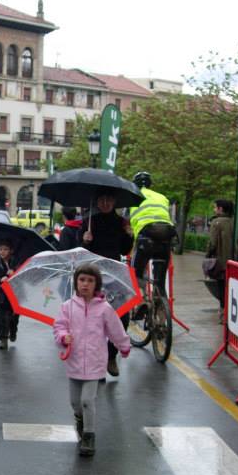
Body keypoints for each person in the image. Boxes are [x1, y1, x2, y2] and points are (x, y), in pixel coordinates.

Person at [53, 263, 132, 457]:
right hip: (74, 361)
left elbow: (115, 330)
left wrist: (124, 346)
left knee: (87, 400)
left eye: (90, 280)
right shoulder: (68, 307)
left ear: (97, 284)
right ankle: (80, 419)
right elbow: (59, 327)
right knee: (75, 403)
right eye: (82, 280)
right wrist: (63, 337)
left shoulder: (104, 309)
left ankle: (89, 435)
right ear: (76, 282)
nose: (85, 284)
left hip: (95, 362)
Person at [81, 190, 133, 376]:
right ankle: (96, 361)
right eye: (102, 200)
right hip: (92, 273)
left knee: (122, 314)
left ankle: (111, 356)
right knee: (92, 318)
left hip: (114, 273)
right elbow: (81, 249)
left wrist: (129, 235)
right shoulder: (89, 221)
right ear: (97, 202)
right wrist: (85, 240)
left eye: (109, 200)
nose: (105, 203)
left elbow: (125, 250)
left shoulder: (121, 222)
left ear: (114, 202)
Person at [128, 170, 176, 302]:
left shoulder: (133, 197)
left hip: (146, 235)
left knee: (135, 273)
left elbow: (126, 222)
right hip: (166, 234)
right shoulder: (162, 197)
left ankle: (140, 300)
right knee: (160, 278)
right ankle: (160, 297)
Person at [205, 198, 234, 323]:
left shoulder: (216, 222)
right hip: (235, 263)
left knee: (221, 288)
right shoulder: (234, 222)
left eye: (215, 207)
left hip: (221, 263)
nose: (214, 209)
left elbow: (212, 243)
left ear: (220, 209)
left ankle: (223, 314)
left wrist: (207, 256)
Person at [0, 239, 19, 350]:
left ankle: (13, 331)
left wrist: (14, 272)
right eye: (0, 249)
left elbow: (23, 275)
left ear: (11, 250)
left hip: (15, 295)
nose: (2, 252)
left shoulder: (16, 262)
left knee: (13, 318)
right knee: (2, 319)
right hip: (2, 297)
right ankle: (3, 340)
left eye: (5, 249)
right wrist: (0, 280)